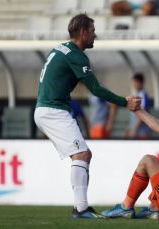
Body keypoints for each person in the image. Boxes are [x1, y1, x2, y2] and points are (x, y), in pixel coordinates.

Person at [33, 13, 141, 219]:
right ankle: (80, 209)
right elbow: (96, 89)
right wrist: (124, 101)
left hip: (46, 109)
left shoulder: (60, 48)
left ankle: (81, 206)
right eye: (92, 31)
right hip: (53, 110)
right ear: (82, 32)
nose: (95, 35)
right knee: (82, 154)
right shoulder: (76, 55)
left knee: (83, 154)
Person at [125, 73, 151, 139]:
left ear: (140, 83)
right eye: (133, 82)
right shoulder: (136, 94)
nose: (134, 85)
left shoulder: (143, 96)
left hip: (141, 131)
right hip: (135, 130)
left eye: (135, 82)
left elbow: (143, 114)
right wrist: (129, 129)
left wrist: (134, 129)